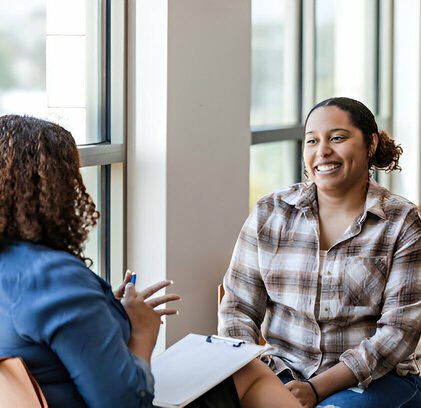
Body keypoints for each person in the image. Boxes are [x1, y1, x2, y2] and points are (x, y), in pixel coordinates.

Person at [0, 115, 300, 408]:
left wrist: (105, 313)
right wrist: (143, 332)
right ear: (54, 189)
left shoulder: (16, 267)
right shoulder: (56, 278)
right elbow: (126, 401)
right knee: (249, 370)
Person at [219, 97, 421, 408]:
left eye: (337, 138)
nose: (322, 151)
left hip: (373, 382)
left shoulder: (404, 224)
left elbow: (398, 335)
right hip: (279, 374)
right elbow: (238, 309)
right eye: (312, 140)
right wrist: (260, 380)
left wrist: (316, 389)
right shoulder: (270, 213)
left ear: (370, 144)